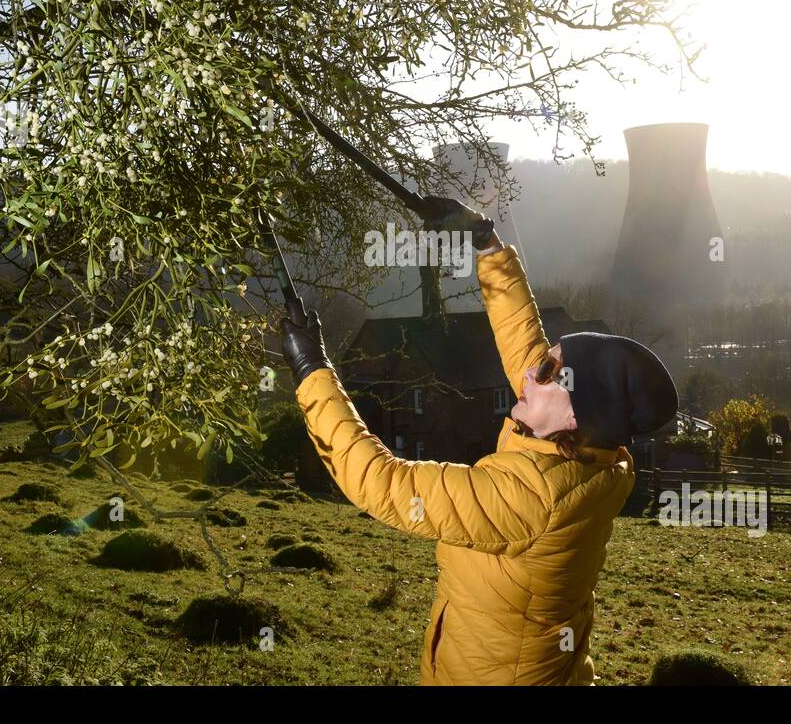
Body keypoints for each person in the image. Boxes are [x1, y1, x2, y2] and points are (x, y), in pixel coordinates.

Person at [280, 196, 678, 685]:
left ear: (576, 411)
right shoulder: (593, 454)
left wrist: (311, 372)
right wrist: (486, 243)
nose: (531, 373)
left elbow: (381, 483)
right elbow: (524, 343)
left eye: (549, 370)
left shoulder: (527, 500)